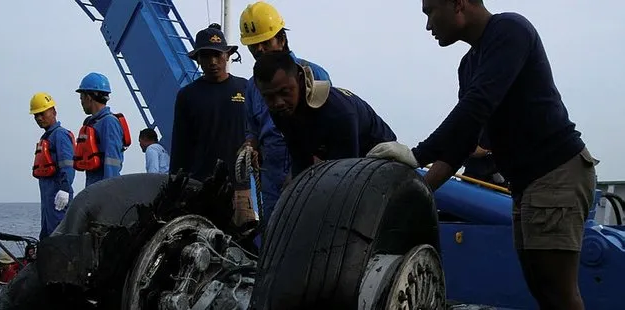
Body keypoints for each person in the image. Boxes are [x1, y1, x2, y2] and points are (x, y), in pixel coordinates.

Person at [367, 1, 599, 309]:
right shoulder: (469, 65)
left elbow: (478, 103)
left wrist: (417, 154)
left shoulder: (510, 31)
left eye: (429, 11)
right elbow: (464, 140)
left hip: (557, 171)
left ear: (458, 4)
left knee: (559, 292)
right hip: (526, 184)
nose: (427, 25)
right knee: (542, 289)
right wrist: (419, 190)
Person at [238, 1, 332, 222]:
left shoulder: (313, 73)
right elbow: (253, 130)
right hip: (271, 177)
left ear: (281, 39)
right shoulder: (252, 87)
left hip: (310, 172)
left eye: (264, 42)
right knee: (274, 235)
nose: (259, 50)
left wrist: (304, 172)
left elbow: (330, 132)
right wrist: (249, 146)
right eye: (253, 46)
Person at [253, 51, 397, 177]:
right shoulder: (281, 112)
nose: (278, 102)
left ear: (301, 81)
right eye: (269, 97)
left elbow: (346, 174)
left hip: (381, 157)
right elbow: (300, 160)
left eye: (285, 92)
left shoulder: (337, 112)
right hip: (339, 159)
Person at [169, 24, 254, 229]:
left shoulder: (247, 88)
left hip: (240, 189)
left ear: (228, 55)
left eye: (218, 55)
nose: (213, 62)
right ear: (198, 59)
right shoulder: (187, 95)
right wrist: (175, 189)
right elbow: (180, 146)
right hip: (199, 189)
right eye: (206, 56)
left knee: (247, 248)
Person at [29, 92, 75, 239]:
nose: (39, 118)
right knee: (47, 237)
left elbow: (68, 165)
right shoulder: (46, 137)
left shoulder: (60, 135)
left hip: (58, 198)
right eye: (36, 115)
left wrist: (65, 189)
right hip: (48, 200)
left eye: (42, 113)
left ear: (53, 111)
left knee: (59, 238)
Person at [74, 72, 131, 187]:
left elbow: (112, 162)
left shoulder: (109, 122)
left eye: (81, 98)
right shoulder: (91, 122)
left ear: (88, 97)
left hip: (103, 191)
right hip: (93, 186)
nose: (81, 103)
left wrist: (108, 193)